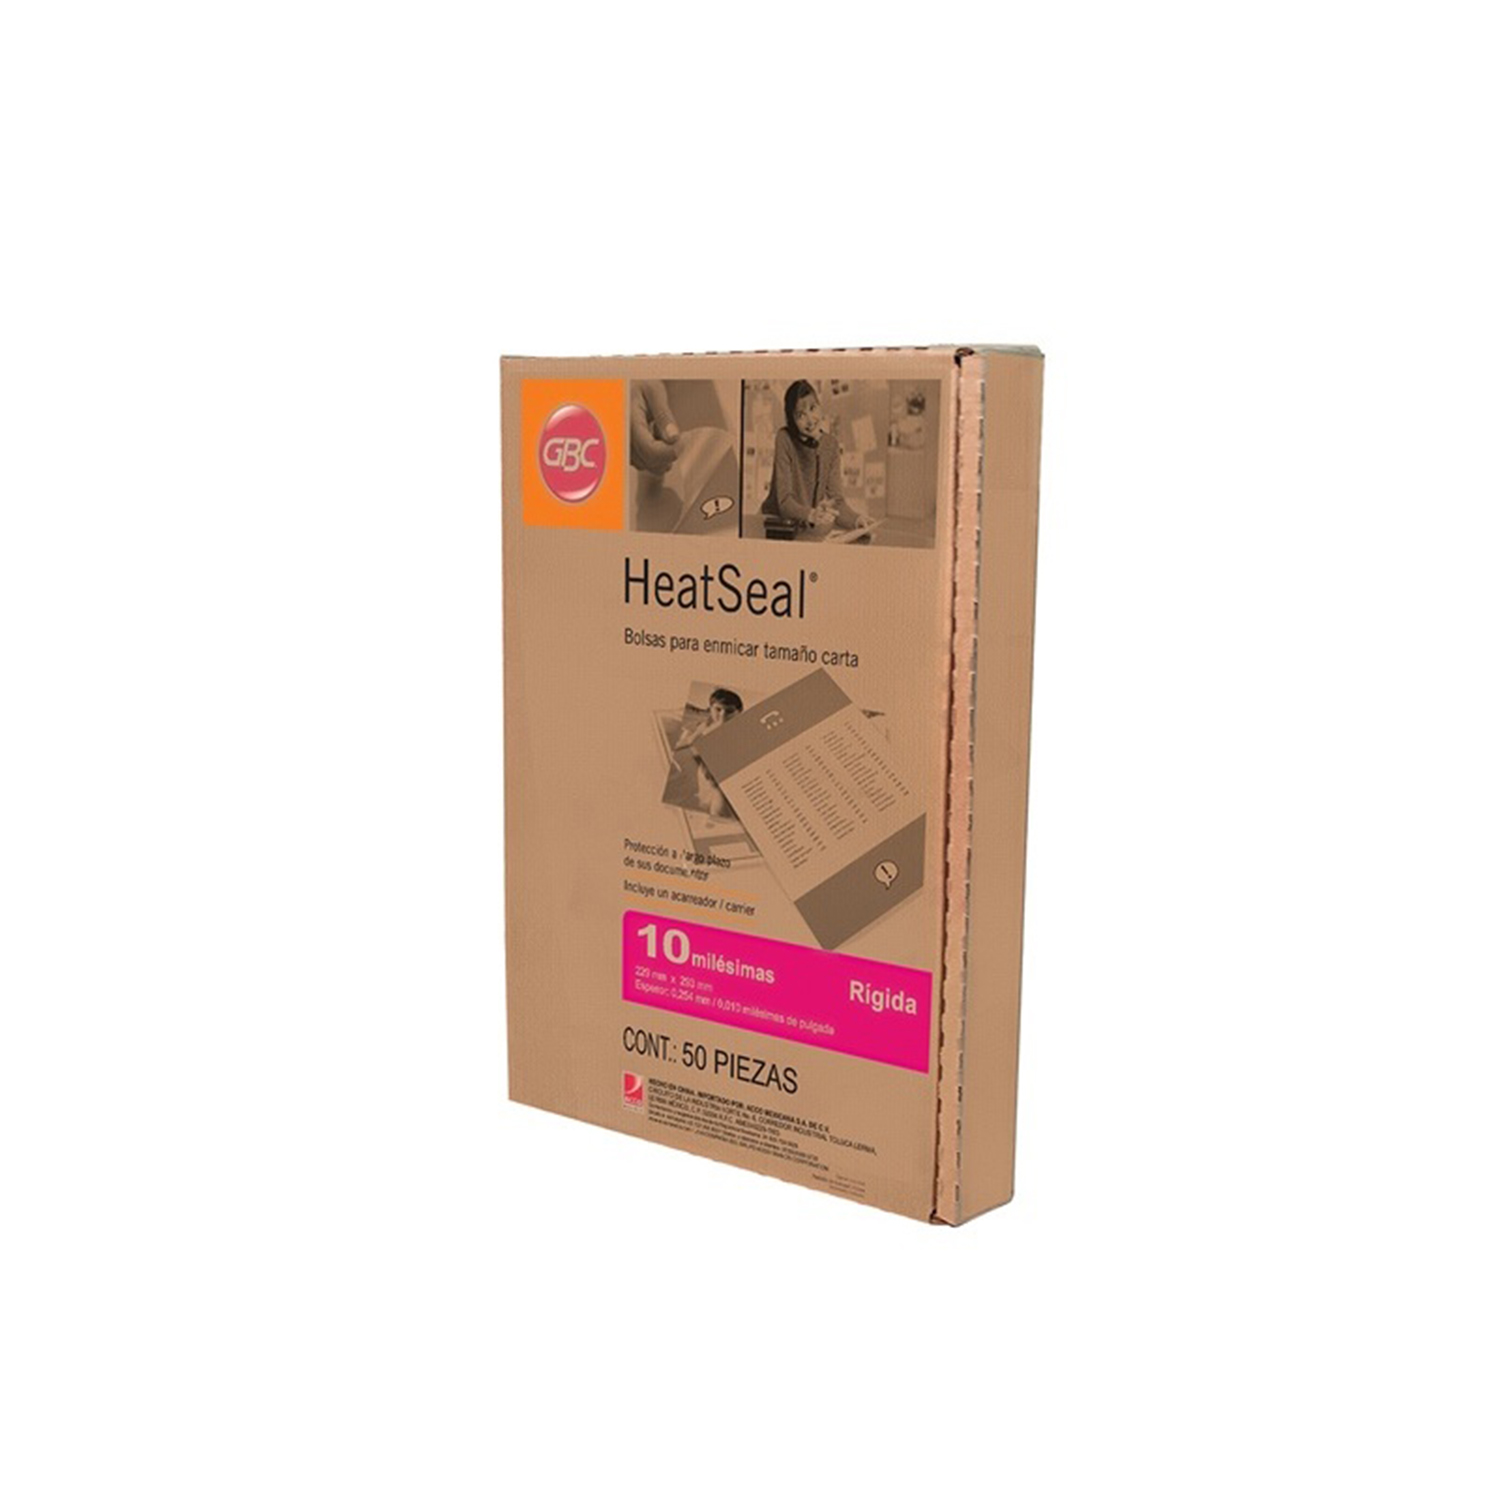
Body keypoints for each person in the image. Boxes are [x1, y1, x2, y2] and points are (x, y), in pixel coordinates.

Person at [761, 380, 868, 532]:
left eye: (813, 408)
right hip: (775, 523)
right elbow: (784, 502)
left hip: (803, 526)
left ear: (819, 406)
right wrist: (811, 514)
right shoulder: (784, 438)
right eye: (801, 415)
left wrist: (856, 520)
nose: (810, 420)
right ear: (792, 420)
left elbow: (836, 501)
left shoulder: (831, 445)